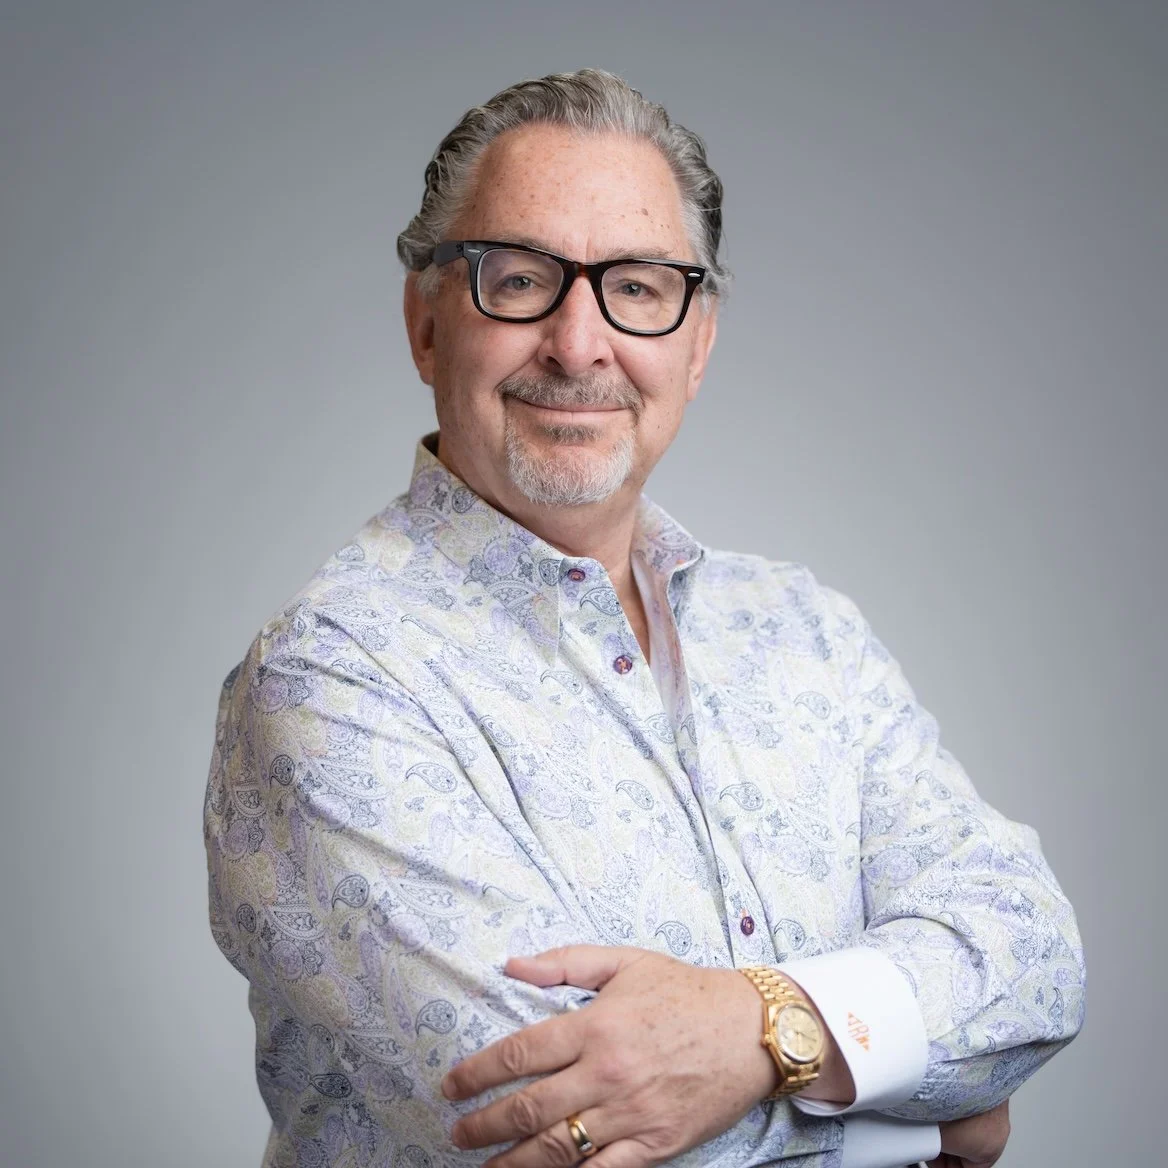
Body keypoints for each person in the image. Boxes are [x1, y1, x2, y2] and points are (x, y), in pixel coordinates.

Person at [203, 69, 1084, 1168]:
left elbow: (1034, 961)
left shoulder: (805, 632)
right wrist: (931, 1113)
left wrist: (759, 1029)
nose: (579, 344)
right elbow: (549, 1123)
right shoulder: (333, 677)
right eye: (519, 279)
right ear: (426, 326)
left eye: (636, 286)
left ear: (696, 343)